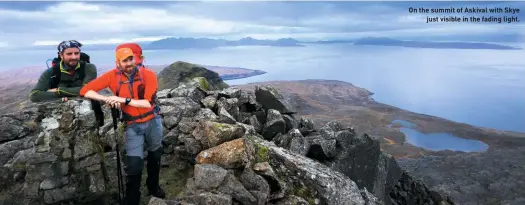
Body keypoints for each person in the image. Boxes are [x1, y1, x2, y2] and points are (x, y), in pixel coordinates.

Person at [79, 45, 164, 205]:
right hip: (133, 126)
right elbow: (85, 90)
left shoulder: (148, 75)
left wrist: (122, 100)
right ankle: (133, 197)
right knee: (134, 164)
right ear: (118, 63)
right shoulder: (112, 76)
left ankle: (153, 186)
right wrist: (106, 99)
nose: (129, 63)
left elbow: (147, 103)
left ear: (135, 58)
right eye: (124, 61)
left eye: (131, 59)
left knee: (156, 154)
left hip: (153, 120)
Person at [30, 40, 97, 103]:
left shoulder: (89, 68)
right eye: (69, 54)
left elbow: (87, 90)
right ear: (61, 55)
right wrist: (63, 98)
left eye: (76, 53)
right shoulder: (51, 72)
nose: (74, 57)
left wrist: (59, 91)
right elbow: (34, 95)